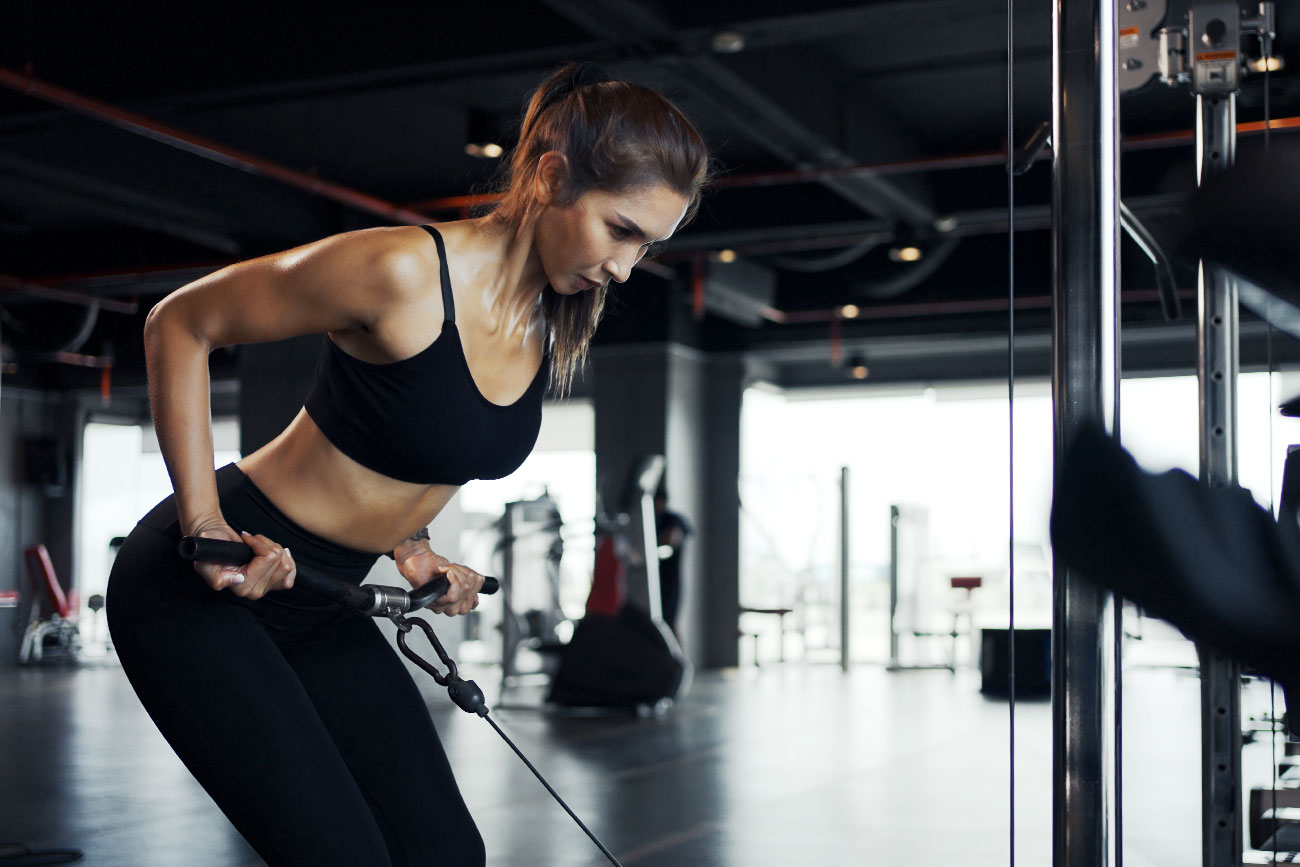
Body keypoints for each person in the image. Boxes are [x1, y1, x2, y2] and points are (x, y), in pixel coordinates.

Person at [105, 61, 709, 867]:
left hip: (324, 598)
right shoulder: (400, 271)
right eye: (621, 230)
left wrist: (413, 546)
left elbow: (414, 436)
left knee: (445, 855)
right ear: (550, 174)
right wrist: (205, 524)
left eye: (649, 246)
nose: (627, 267)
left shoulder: (543, 319)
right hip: (208, 586)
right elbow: (180, 322)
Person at [653, 487, 692, 633]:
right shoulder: (655, 521)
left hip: (671, 582)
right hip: (657, 580)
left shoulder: (674, 521)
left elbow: (670, 540)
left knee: (670, 623)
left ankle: (677, 657)